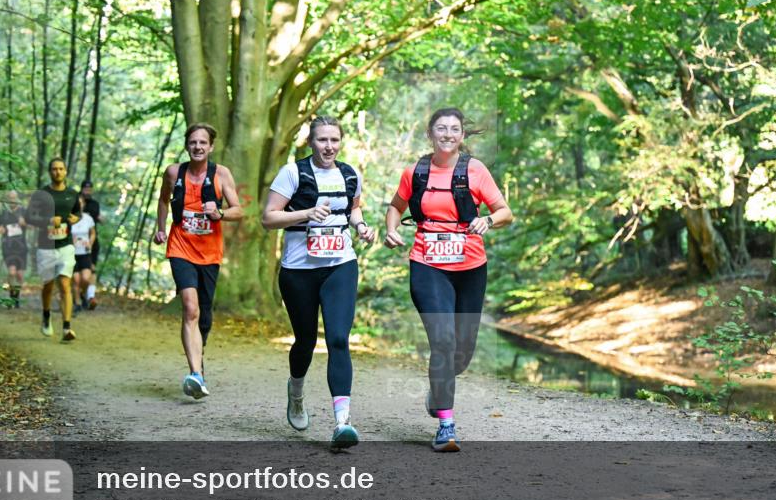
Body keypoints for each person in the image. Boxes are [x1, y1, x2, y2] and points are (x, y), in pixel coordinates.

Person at [384, 107, 513, 452]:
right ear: (430, 133)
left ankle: (437, 388)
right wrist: (391, 230)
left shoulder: (475, 170)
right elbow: (396, 206)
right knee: (442, 342)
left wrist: (488, 220)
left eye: (454, 129)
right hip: (427, 264)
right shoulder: (416, 172)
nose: (448, 134)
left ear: (462, 136)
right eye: (441, 128)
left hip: (470, 267)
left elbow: (505, 212)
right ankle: (446, 424)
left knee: (462, 350)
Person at [262, 116, 376, 449]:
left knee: (339, 338)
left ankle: (343, 423)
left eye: (334, 140)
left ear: (341, 142)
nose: (329, 146)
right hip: (299, 270)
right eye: (322, 140)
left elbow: (353, 211)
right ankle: (296, 392)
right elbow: (268, 218)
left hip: (340, 264)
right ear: (311, 142)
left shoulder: (350, 173)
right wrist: (305, 213)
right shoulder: (293, 173)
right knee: (305, 341)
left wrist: (362, 226)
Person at [153, 123, 243, 400]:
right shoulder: (173, 172)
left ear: (211, 146)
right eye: (193, 142)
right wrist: (160, 228)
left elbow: (239, 210)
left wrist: (220, 214)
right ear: (186, 145)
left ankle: (198, 362)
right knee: (190, 309)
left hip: (210, 252)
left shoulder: (221, 174)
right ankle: (195, 373)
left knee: (203, 315)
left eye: (203, 143)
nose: (198, 147)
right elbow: (163, 200)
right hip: (180, 247)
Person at [27, 157, 81, 341]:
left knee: (65, 284)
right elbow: (29, 217)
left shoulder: (73, 194)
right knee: (48, 285)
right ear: (50, 172)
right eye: (54, 169)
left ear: (66, 171)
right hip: (46, 246)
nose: (57, 172)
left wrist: (76, 219)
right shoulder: (41, 194)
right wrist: (48, 221)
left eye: (61, 169)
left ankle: (67, 327)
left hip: (66, 245)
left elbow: (78, 212)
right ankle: (46, 315)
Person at [0, 190, 28, 307]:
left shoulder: (23, 211)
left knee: (19, 275)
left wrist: (25, 223)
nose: (12, 200)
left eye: (14, 198)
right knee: (12, 272)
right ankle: (12, 298)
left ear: (17, 198)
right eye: (9, 198)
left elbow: (33, 225)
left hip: (21, 247)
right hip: (8, 246)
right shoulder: (3, 213)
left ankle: (15, 296)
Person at [70, 193, 96, 312]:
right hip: (72, 254)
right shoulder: (69, 219)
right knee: (76, 280)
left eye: (81, 203)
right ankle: (78, 304)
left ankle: (82, 294)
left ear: (83, 205)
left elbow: (93, 233)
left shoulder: (88, 218)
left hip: (85, 253)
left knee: (85, 279)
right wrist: (70, 241)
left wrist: (90, 242)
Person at [80, 179, 102, 309]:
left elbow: (95, 217)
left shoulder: (95, 204)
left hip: (92, 242)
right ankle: (79, 295)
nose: (87, 191)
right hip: (76, 242)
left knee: (91, 269)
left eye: (90, 189)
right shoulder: (75, 201)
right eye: (85, 189)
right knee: (78, 272)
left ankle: (90, 296)